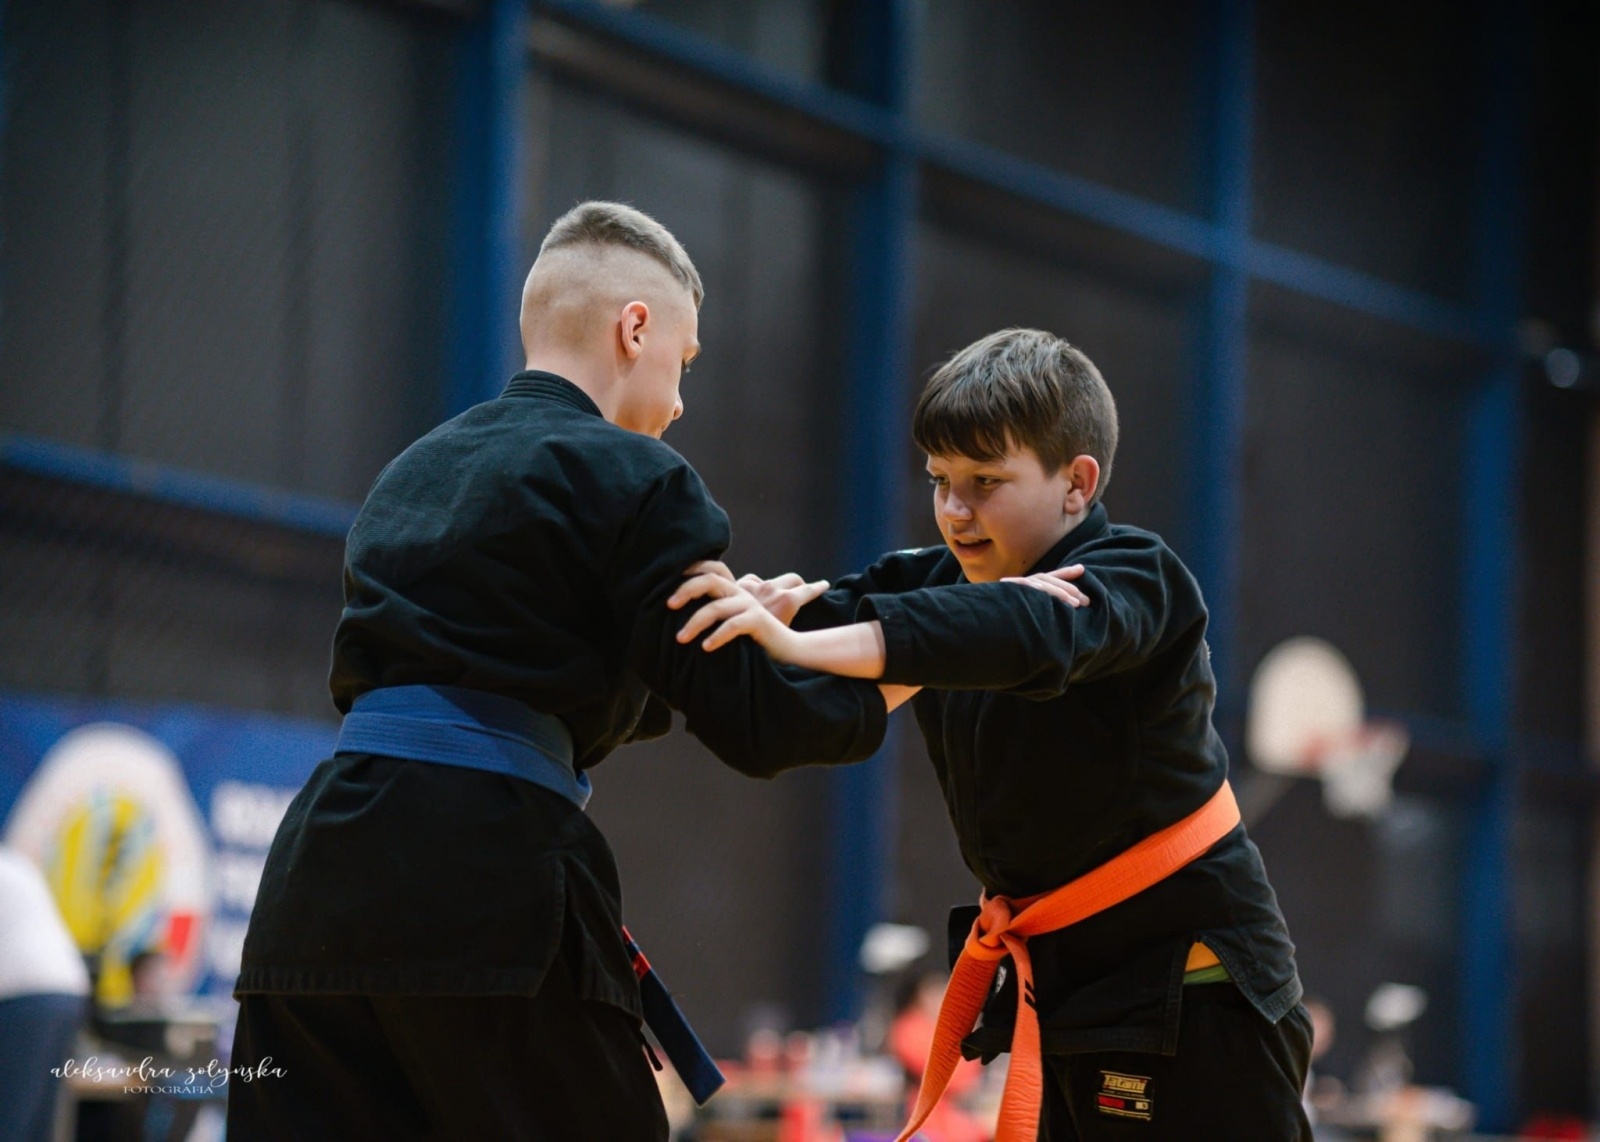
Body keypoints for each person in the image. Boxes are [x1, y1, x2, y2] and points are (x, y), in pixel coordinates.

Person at [227, 201, 892, 1141]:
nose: (679, 402)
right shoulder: (640, 479)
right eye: (685, 362)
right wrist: (904, 656)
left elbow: (531, 662)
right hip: (485, 885)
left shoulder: (411, 474)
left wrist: (740, 625)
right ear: (636, 329)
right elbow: (760, 724)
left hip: (315, 887)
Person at [674, 328, 1313, 1140]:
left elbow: (1022, 631)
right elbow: (797, 711)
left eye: (986, 481)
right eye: (941, 481)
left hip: (1198, 997)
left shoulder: (1136, 577)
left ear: (1077, 483)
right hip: (1071, 999)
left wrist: (798, 641)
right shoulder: (939, 585)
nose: (955, 511)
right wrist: (730, 628)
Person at [0, 843, 90, 1142]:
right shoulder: (15, 863)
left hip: (26, 997)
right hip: (65, 992)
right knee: (37, 1119)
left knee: (10, 1119)